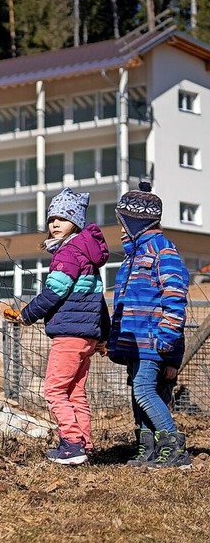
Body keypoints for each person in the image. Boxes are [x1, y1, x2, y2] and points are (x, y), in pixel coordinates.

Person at [17, 187, 110, 465]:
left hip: (69, 334)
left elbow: (54, 292)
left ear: (77, 222)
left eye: (63, 217)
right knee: (75, 392)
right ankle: (85, 443)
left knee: (54, 390)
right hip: (86, 336)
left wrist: (27, 314)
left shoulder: (69, 253)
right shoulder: (87, 256)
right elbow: (98, 300)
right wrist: (104, 335)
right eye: (51, 218)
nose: (55, 223)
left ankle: (71, 444)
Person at [106, 182, 191, 469]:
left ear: (136, 222)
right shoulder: (132, 258)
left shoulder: (162, 251)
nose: (120, 230)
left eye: (123, 223)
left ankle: (173, 445)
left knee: (144, 390)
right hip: (134, 342)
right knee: (137, 392)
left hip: (152, 341)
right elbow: (123, 304)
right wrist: (114, 339)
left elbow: (175, 297)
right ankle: (149, 447)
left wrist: (166, 337)